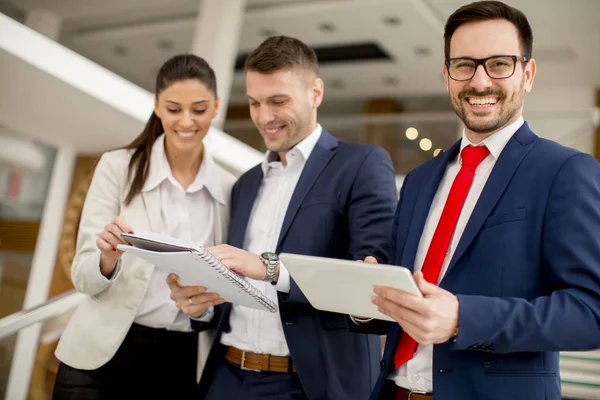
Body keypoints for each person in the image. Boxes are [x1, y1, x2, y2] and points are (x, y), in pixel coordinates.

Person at [349, 2, 600, 400]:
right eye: (464, 64)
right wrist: (366, 298)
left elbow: (590, 312)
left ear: (528, 74)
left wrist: (464, 319)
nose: (480, 81)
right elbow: (408, 301)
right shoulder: (418, 181)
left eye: (499, 64)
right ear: (446, 74)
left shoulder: (565, 171)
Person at [167, 35, 398, 400]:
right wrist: (200, 306)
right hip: (226, 376)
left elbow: (373, 279)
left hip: (309, 383)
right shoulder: (245, 184)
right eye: (255, 102)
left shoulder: (361, 164)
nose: (263, 117)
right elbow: (233, 289)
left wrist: (271, 269)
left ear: (316, 93)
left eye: (278, 101)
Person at [53, 54, 235, 399]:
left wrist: (205, 308)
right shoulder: (117, 167)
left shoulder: (229, 188)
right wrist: (107, 259)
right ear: (156, 106)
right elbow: (83, 276)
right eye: (173, 108)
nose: (186, 121)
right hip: (100, 357)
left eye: (198, 110)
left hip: (179, 362)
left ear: (216, 107)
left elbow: (228, 282)